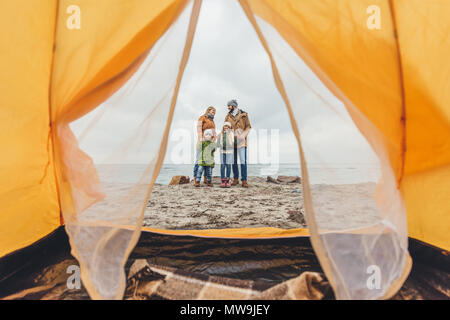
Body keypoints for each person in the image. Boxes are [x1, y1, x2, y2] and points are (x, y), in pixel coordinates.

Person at [224, 99, 251, 188]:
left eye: (229, 106)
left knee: (243, 161)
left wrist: (243, 135)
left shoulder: (244, 115)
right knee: (233, 161)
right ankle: (235, 178)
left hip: (242, 142)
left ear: (234, 105)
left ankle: (244, 180)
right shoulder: (227, 116)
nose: (228, 107)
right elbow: (225, 127)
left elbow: (248, 127)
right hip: (232, 142)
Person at [194, 106, 216, 184]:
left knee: (208, 161)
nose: (214, 112)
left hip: (209, 144)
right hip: (201, 142)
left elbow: (214, 134)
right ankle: (196, 179)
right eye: (213, 110)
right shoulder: (202, 118)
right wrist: (201, 140)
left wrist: (212, 142)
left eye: (215, 111)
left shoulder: (212, 121)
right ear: (208, 110)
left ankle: (206, 178)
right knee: (198, 160)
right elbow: (199, 129)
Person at [216, 122, 234, 188]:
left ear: (229, 128)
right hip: (222, 151)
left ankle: (228, 180)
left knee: (228, 165)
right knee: (223, 165)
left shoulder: (231, 134)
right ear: (223, 127)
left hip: (229, 152)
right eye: (225, 126)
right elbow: (217, 144)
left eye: (228, 127)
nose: (226, 128)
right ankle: (223, 180)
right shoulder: (220, 134)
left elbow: (232, 143)